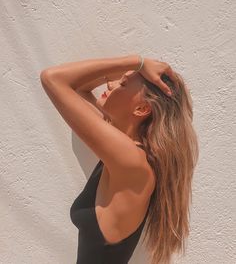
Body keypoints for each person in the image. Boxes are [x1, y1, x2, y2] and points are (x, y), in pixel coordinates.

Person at [40, 54, 199, 264]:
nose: (110, 82)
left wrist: (137, 62)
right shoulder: (123, 150)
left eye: (122, 84)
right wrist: (135, 70)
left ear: (141, 109)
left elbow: (53, 79)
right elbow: (80, 89)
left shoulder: (131, 161)